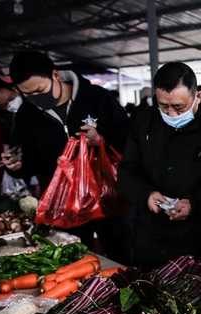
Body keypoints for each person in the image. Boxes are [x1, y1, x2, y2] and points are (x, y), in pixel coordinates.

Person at [8, 51, 128, 260]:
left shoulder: (97, 98)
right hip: (64, 206)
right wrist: (18, 166)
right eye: (27, 94)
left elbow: (127, 140)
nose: (36, 98)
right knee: (72, 260)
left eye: (40, 90)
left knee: (120, 252)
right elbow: (30, 163)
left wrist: (100, 140)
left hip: (108, 198)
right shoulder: (26, 115)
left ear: (55, 75)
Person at [119, 62, 201, 268]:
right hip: (151, 231)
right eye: (163, 106)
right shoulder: (143, 121)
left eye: (179, 107)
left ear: (197, 95)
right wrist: (146, 194)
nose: (171, 114)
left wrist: (195, 204)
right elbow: (127, 170)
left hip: (199, 234)